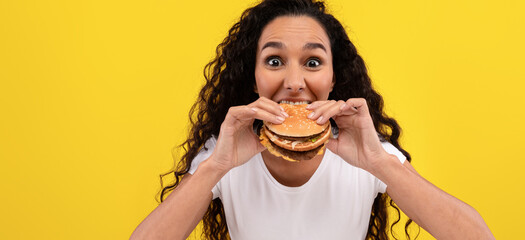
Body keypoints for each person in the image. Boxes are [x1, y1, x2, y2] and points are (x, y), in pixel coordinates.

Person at [130, 0, 495, 239]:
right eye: (274, 61)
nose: (293, 83)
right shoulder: (225, 153)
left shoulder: (369, 152)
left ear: (334, 78)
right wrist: (216, 166)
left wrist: (379, 163)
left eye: (313, 62)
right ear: (253, 77)